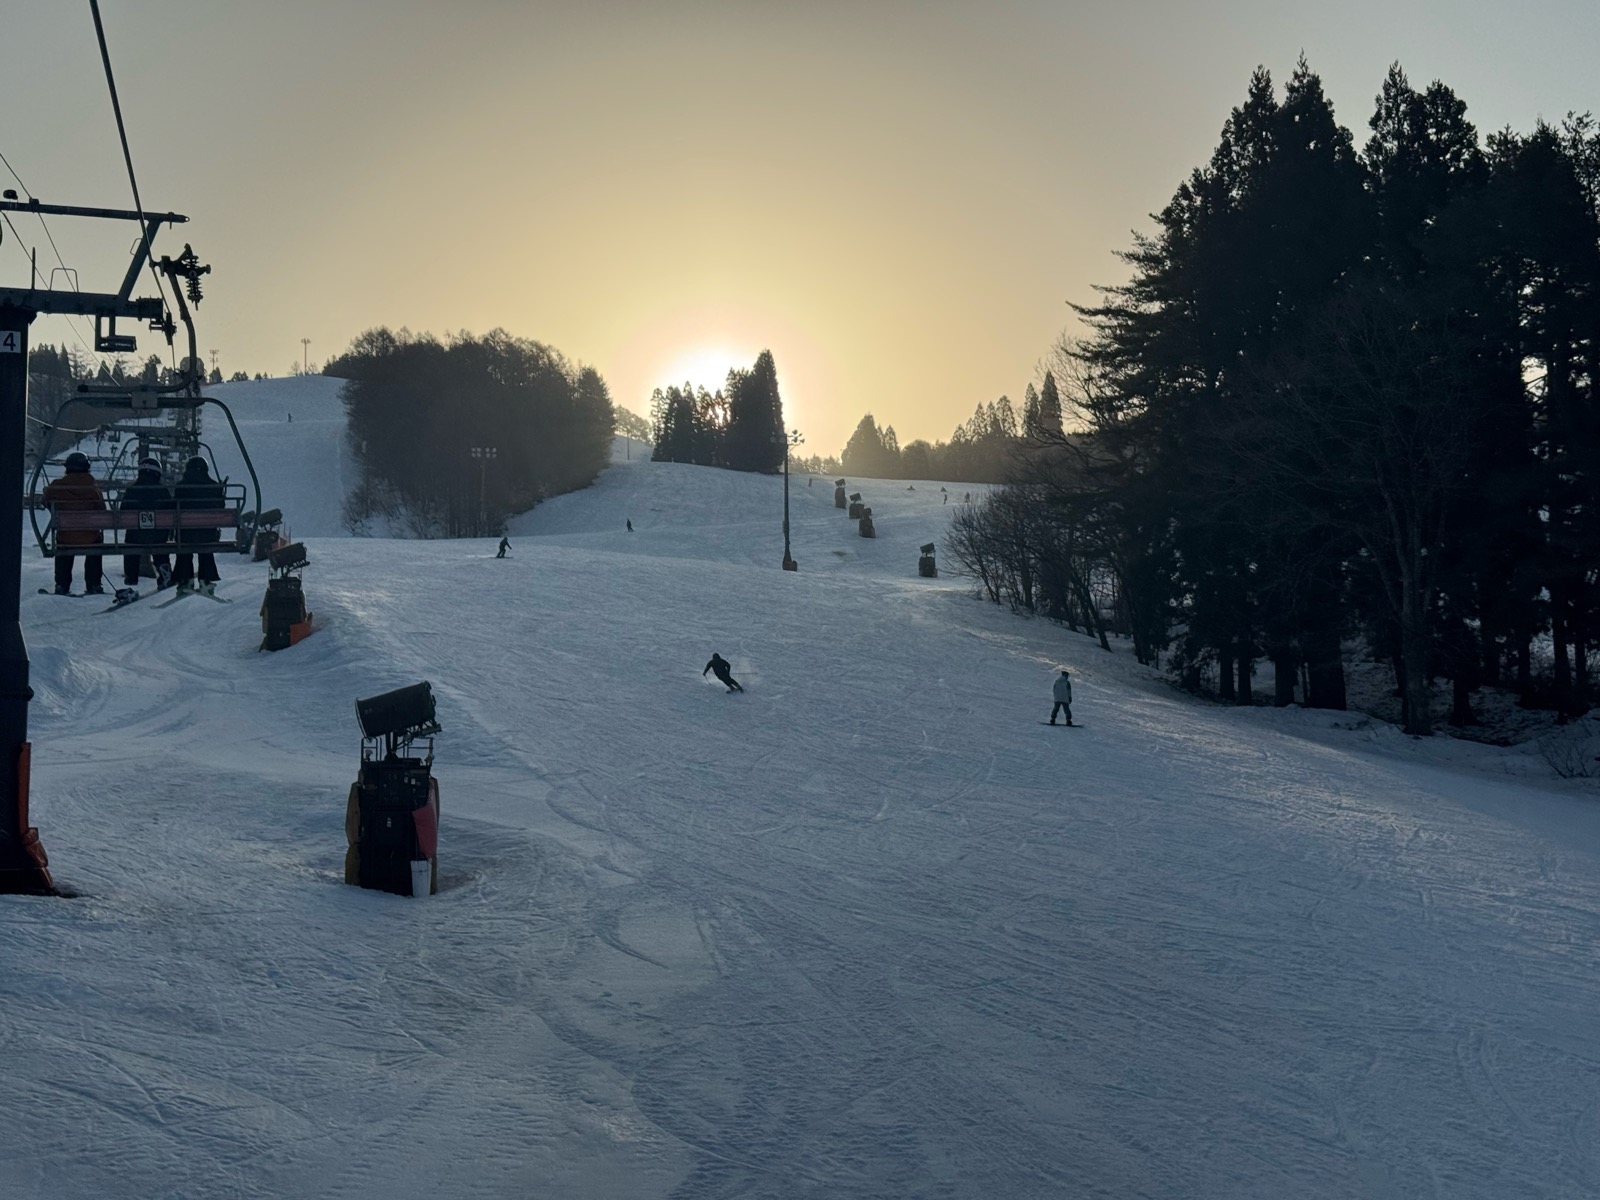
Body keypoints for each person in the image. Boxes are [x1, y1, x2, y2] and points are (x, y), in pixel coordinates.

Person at [43, 451, 107, 594]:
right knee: (96, 543)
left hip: (65, 536)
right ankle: (93, 583)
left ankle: (62, 584)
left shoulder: (56, 487)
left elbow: (46, 500)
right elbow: (102, 511)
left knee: (63, 544)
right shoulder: (92, 489)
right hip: (90, 537)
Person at [118, 457, 174, 590]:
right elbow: (171, 512)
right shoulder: (162, 490)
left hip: (135, 535)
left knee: (130, 546)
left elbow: (123, 513)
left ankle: (131, 576)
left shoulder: (132, 490)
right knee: (160, 545)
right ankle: (163, 568)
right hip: (158, 535)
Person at [171, 455, 225, 593]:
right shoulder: (214, 487)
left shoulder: (181, 487)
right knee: (205, 548)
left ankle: (185, 579)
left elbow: (173, 510)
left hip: (185, 534)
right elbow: (221, 508)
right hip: (208, 534)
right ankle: (206, 578)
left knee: (184, 549)